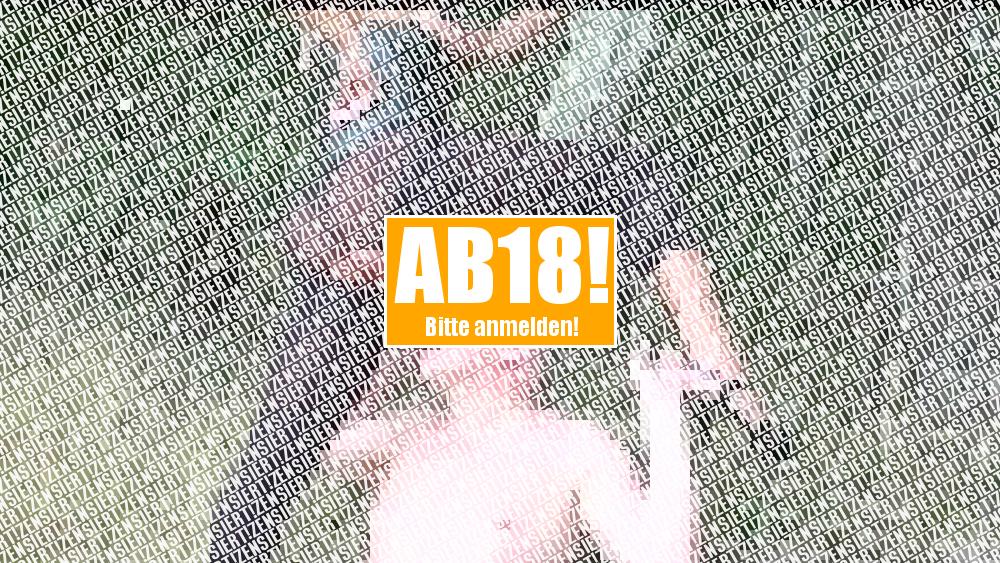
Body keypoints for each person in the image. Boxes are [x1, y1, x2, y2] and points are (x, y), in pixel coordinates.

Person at [210, 9, 790, 561]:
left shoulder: (412, 36)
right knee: (281, 451)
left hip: (439, 216)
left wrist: (542, 15)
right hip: (391, 233)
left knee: (646, 193)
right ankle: (721, 380)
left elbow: (487, 47)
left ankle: (723, 378)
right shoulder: (334, 51)